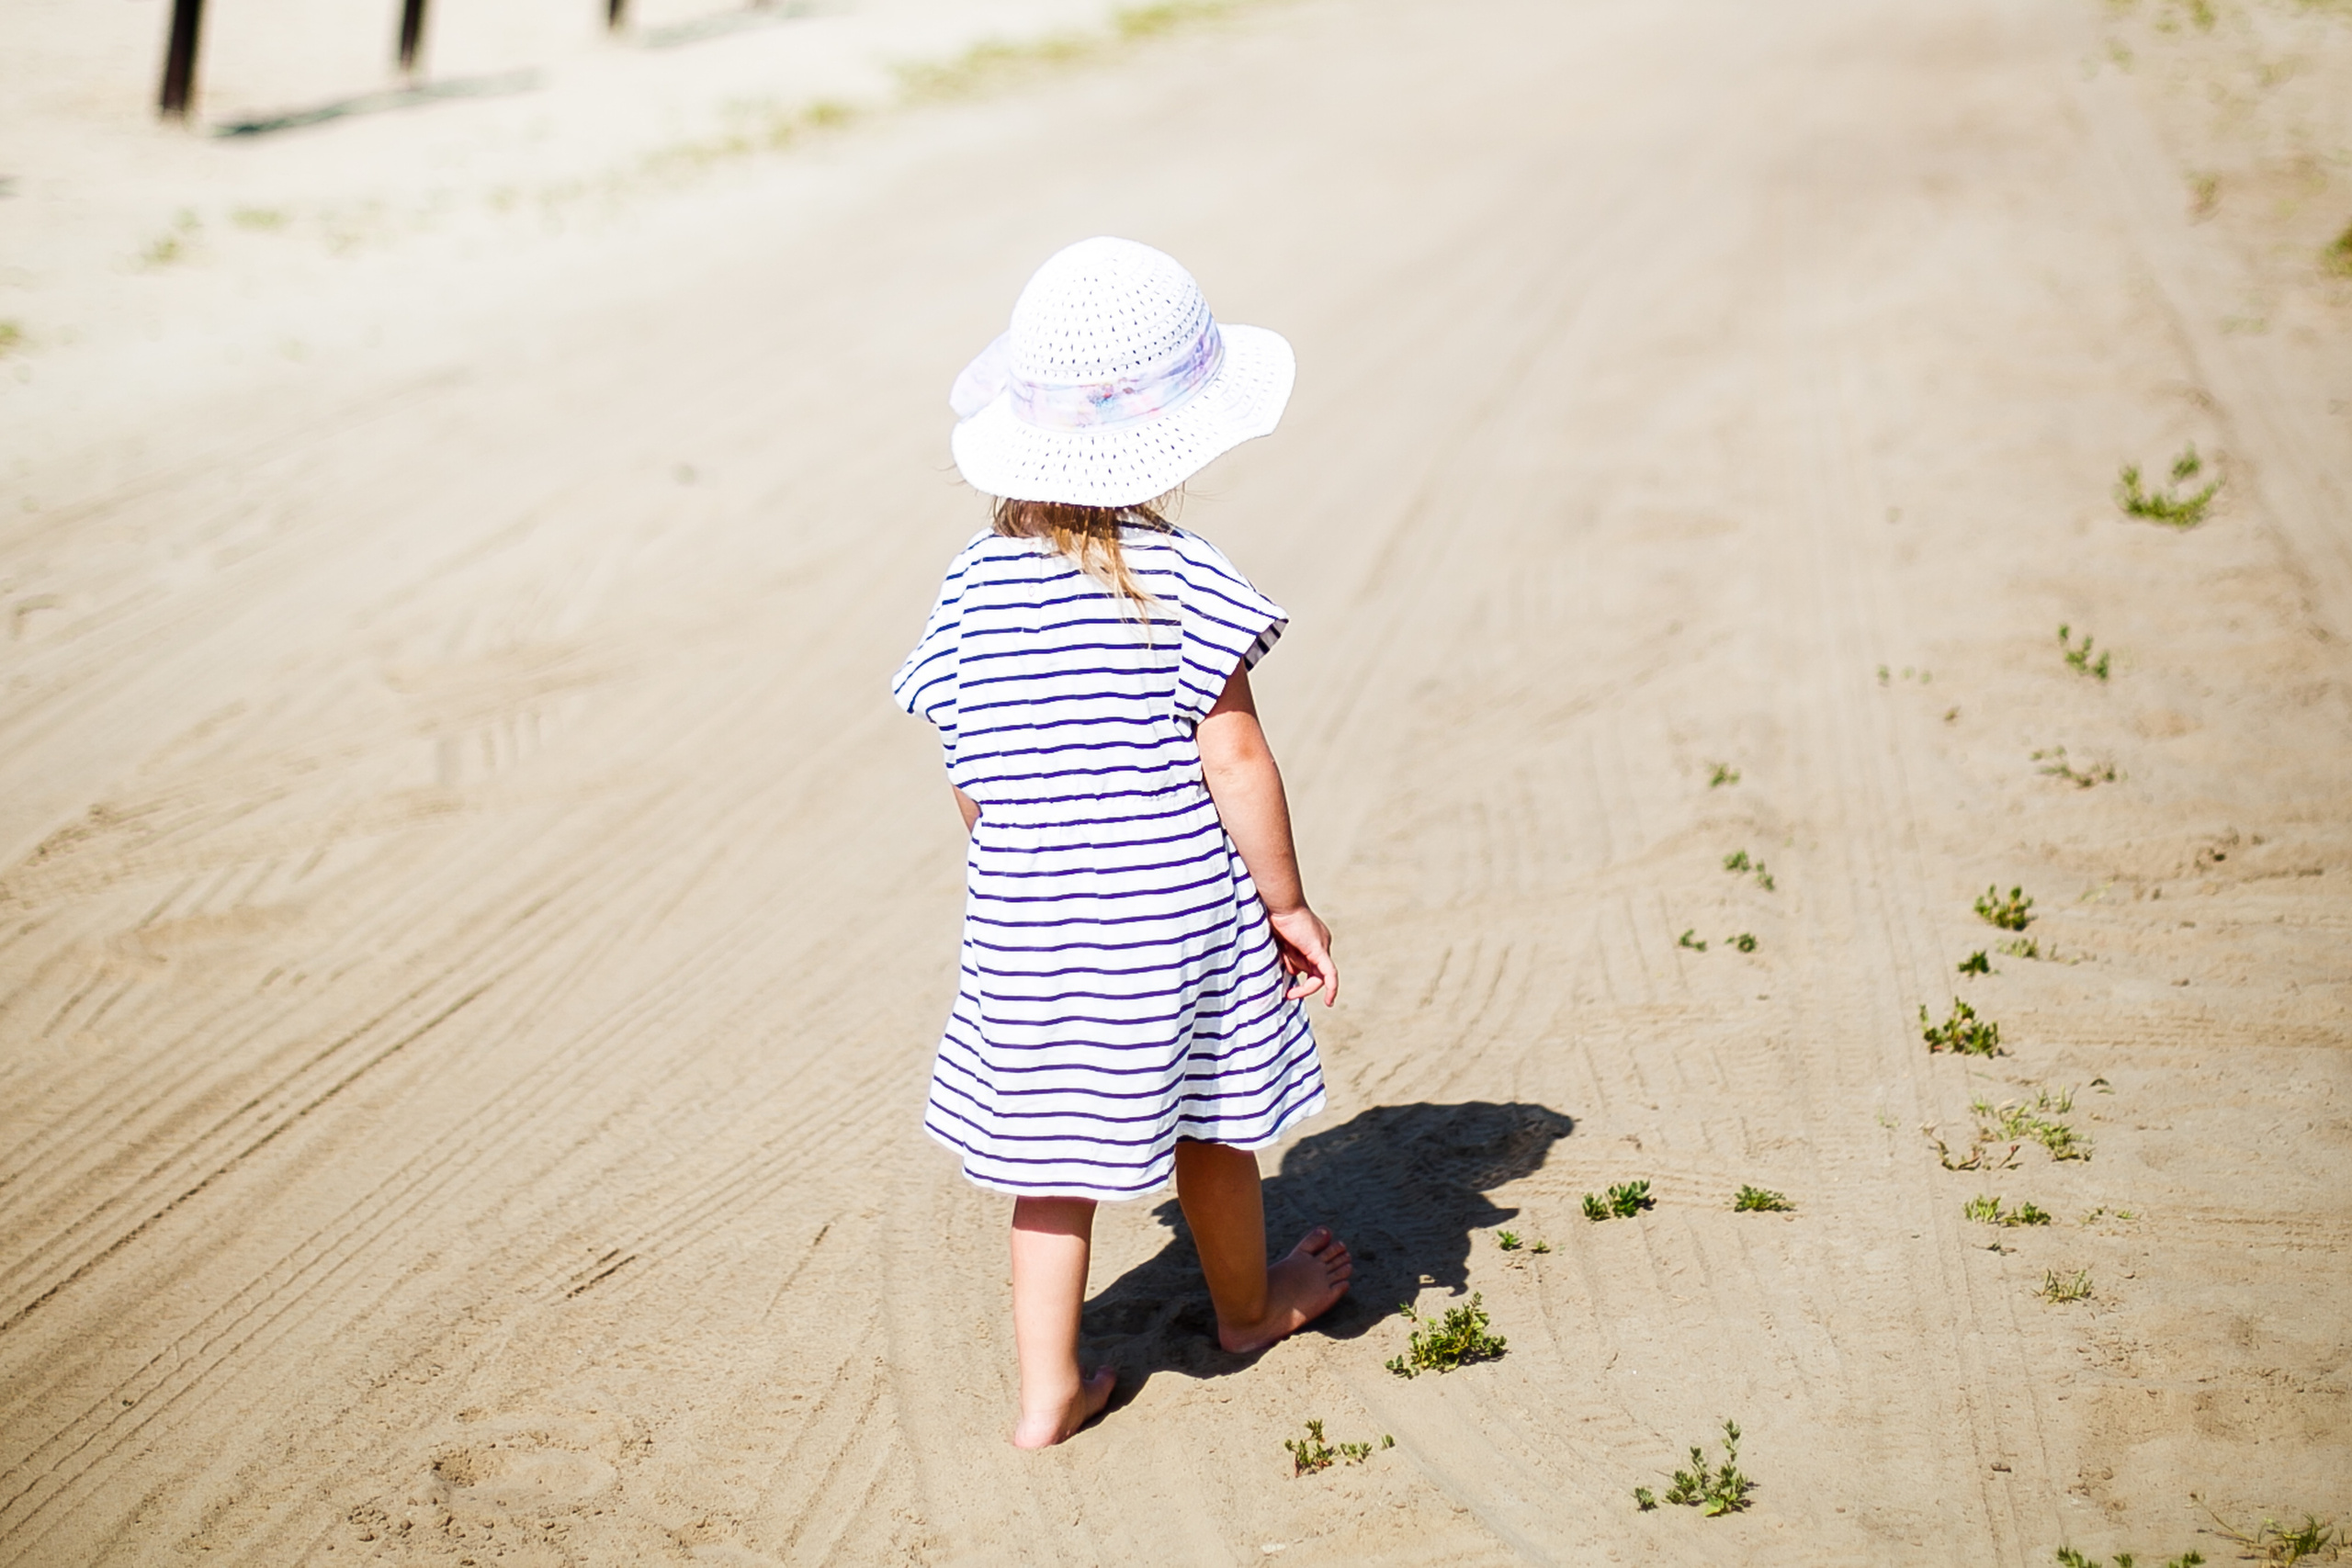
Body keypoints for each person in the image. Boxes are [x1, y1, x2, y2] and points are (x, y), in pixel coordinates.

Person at [892, 237, 1350, 1450]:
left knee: (1051, 1166)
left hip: (1033, 928)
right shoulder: (1186, 578)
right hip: (1177, 922)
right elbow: (1237, 759)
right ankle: (1248, 1313)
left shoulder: (968, 592)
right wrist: (1287, 903)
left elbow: (970, 782)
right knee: (1210, 1126)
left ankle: (1049, 1390)